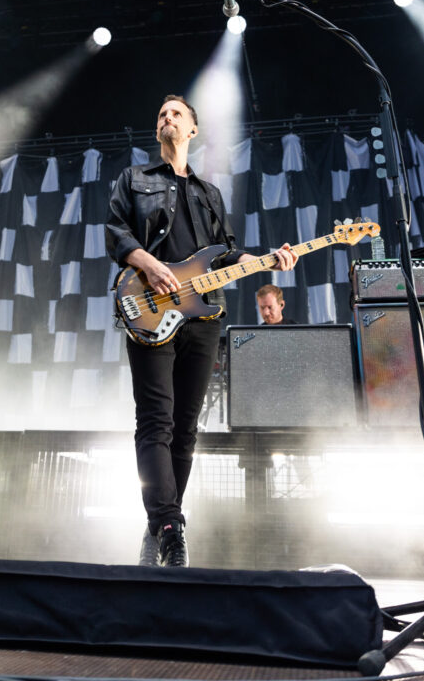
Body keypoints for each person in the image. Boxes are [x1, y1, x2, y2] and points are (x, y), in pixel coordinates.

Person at [106, 94, 296, 568]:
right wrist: (149, 265)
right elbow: (116, 232)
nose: (166, 117)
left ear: (192, 130)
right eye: (161, 114)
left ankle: (158, 526)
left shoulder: (210, 194)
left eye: (176, 113)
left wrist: (264, 259)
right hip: (150, 310)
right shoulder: (134, 179)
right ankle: (171, 527)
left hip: (205, 316)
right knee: (156, 421)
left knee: (186, 430)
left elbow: (227, 254)